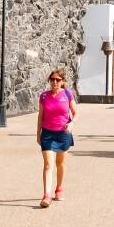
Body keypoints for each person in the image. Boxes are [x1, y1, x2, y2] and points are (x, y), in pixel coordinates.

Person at [36, 70, 77, 208]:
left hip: (63, 134)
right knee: (48, 164)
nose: (55, 82)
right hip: (47, 134)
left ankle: (59, 188)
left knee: (60, 163)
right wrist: (38, 134)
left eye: (58, 80)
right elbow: (40, 116)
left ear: (62, 81)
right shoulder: (43, 96)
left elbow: (76, 113)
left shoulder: (67, 94)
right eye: (52, 79)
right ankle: (46, 195)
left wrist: (72, 123)